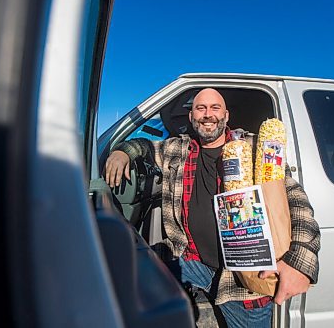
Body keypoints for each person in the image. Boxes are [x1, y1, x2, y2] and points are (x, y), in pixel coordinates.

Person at [104, 88, 320, 327]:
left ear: (226, 115)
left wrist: (299, 261)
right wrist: (122, 153)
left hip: (244, 279)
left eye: (215, 108)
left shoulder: (255, 147)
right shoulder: (177, 149)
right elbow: (143, 145)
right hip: (191, 260)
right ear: (191, 117)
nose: (208, 115)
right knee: (132, 282)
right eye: (201, 108)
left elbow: (296, 200)